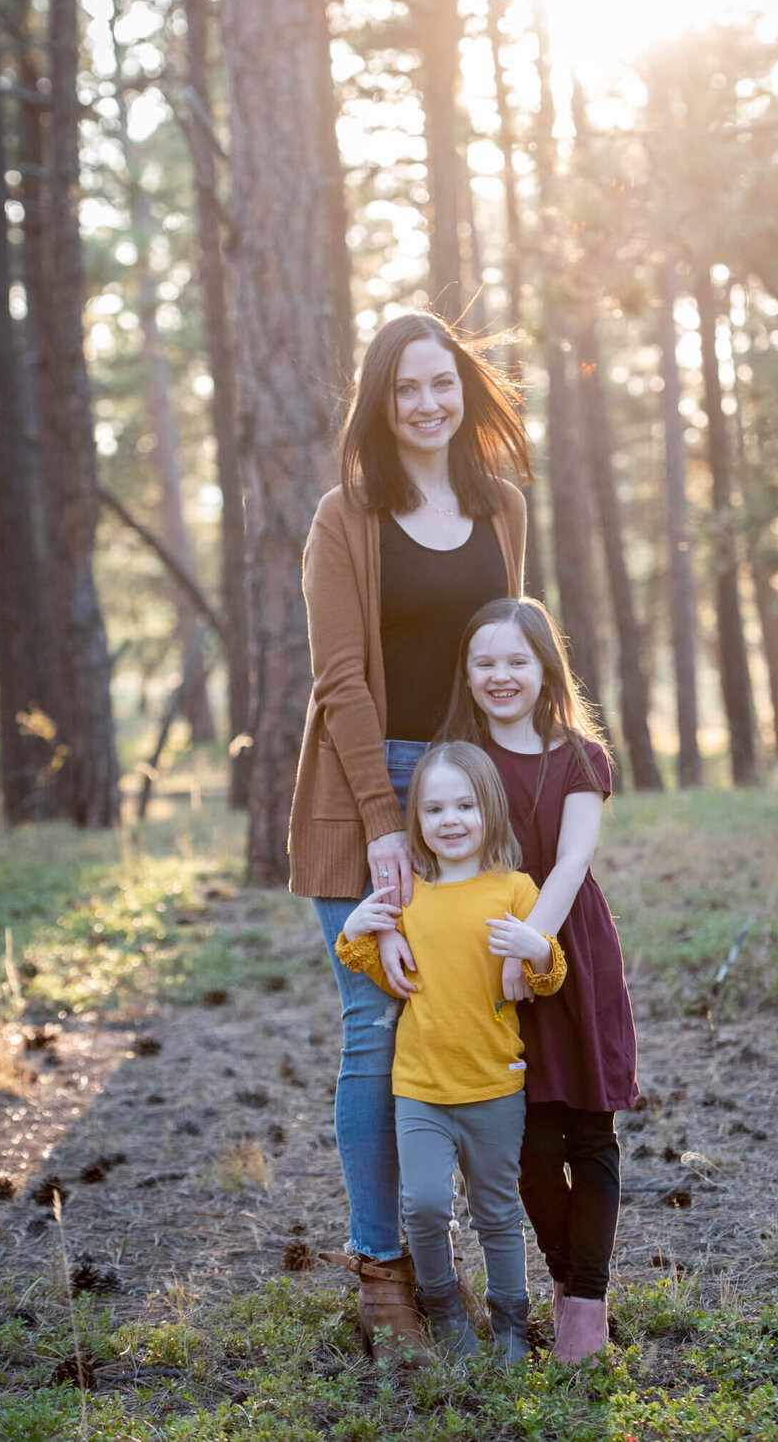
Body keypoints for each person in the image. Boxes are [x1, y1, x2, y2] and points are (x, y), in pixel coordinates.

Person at [288, 312, 531, 1359]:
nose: (427, 405)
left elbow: (509, 654)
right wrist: (384, 825)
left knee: (465, 1022)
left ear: (465, 391)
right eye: (405, 392)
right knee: (377, 1028)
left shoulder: (503, 507)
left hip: (467, 794)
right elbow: (340, 679)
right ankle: (384, 1280)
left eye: (442, 385)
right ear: (380, 407)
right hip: (366, 788)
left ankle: (466, 1273)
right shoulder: (346, 519)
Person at [440, 596, 638, 1365]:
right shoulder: (458, 753)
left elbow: (571, 859)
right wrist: (499, 955)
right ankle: (565, 1274)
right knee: (523, 1139)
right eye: (484, 661)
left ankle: (586, 1301)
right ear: (467, 671)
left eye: (516, 660)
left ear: (544, 667)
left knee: (589, 1131)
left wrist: (535, 943)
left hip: (570, 949)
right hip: (488, 955)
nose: (500, 675)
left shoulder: (578, 754)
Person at [335, 741, 566, 1362]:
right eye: (434, 809)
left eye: (465, 805)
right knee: (425, 1204)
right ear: (418, 823)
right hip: (420, 1087)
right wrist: (357, 934)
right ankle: (445, 1312)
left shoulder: (515, 890)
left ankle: (512, 1323)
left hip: (495, 1085)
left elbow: (549, 977)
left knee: (495, 1210)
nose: (451, 820)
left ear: (489, 810)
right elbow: (392, 978)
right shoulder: (411, 896)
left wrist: (536, 947)